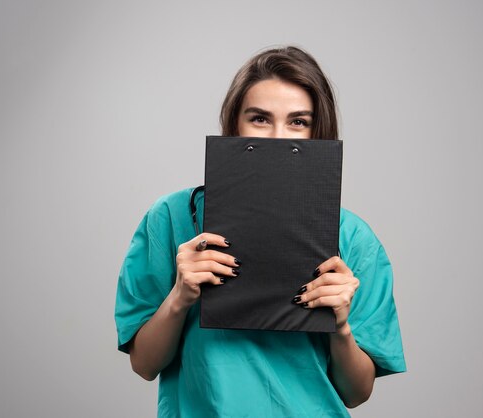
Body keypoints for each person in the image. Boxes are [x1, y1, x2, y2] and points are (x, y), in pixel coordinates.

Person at [115, 46, 406, 417]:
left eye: (298, 121)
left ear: (319, 132)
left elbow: (356, 392)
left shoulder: (352, 237)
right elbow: (144, 364)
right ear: (234, 124)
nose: (277, 138)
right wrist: (181, 295)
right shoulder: (172, 219)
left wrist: (341, 327)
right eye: (259, 118)